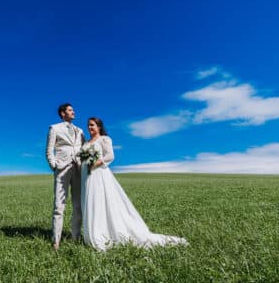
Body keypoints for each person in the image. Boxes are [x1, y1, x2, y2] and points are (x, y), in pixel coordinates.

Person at [81, 117, 188, 251]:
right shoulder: (86, 142)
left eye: (92, 125)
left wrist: (94, 164)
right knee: (90, 202)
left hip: (99, 174)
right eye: (88, 125)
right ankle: (92, 232)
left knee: (101, 202)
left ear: (99, 127)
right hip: (87, 177)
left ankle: (104, 233)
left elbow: (110, 156)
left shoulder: (104, 139)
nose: (90, 128)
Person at [45, 103, 86, 250]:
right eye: (70, 110)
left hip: (78, 169)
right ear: (63, 113)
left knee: (77, 205)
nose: (73, 112)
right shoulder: (54, 128)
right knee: (58, 206)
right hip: (62, 169)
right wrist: (54, 165)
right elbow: (49, 150)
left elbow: (85, 149)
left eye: (73, 109)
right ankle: (56, 241)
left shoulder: (80, 131)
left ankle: (76, 237)